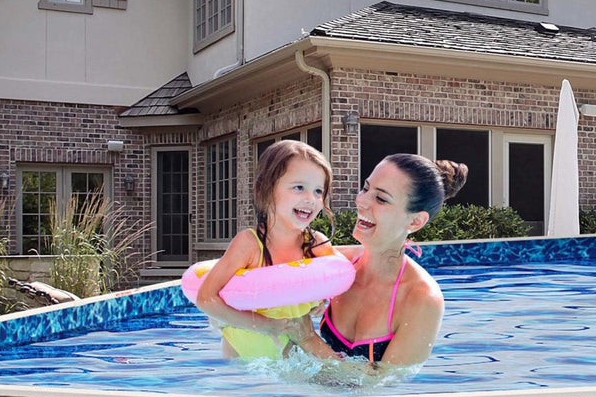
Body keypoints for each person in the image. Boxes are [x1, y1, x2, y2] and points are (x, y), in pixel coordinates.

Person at [286, 153, 468, 369]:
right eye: (365, 189)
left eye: (381, 199)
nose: (361, 202)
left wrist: (307, 338)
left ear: (416, 221)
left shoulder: (421, 299)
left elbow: (379, 381)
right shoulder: (333, 262)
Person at [194, 140, 335, 359]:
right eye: (299, 187)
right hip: (241, 351)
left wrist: (323, 300)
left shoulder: (316, 244)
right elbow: (206, 299)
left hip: (292, 351)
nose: (311, 199)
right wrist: (265, 326)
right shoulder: (250, 245)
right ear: (268, 189)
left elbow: (336, 284)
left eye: (318, 191)